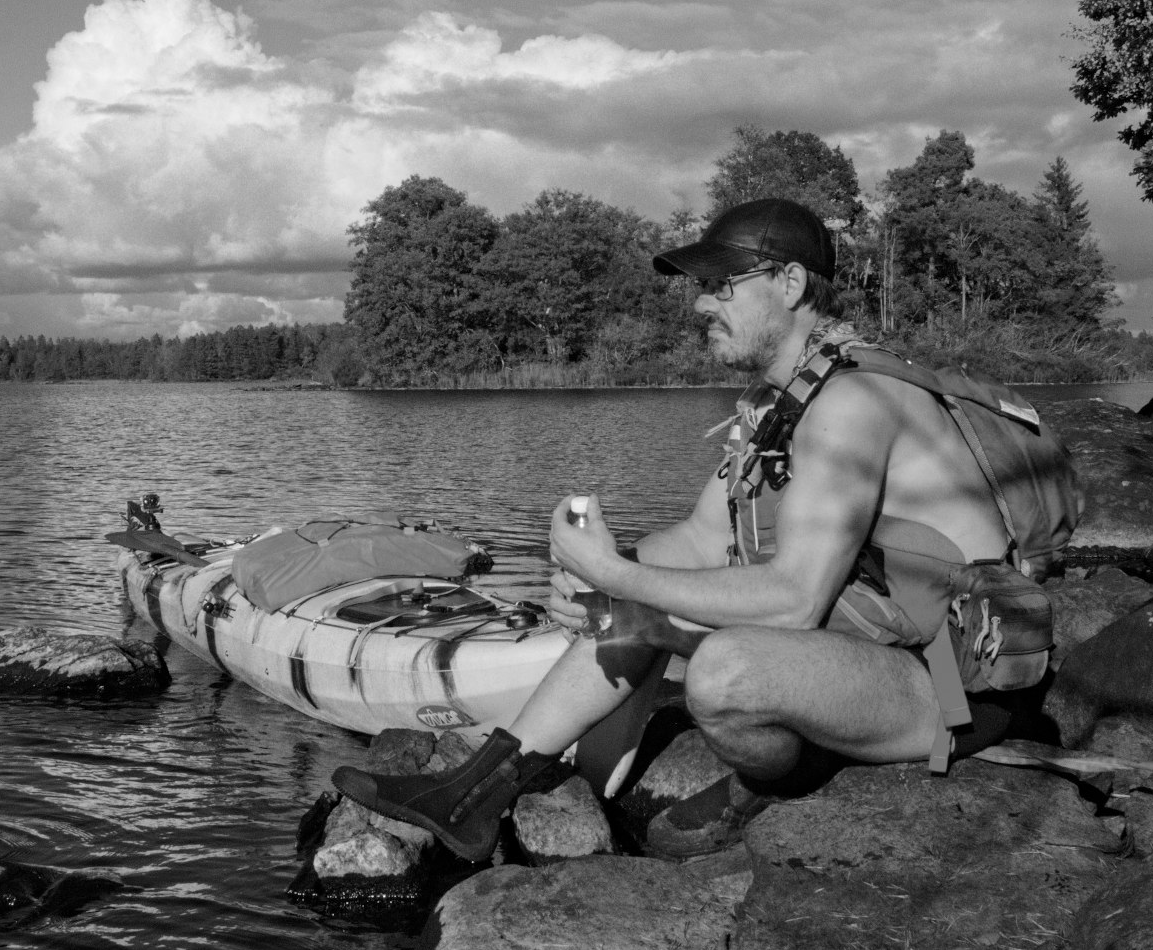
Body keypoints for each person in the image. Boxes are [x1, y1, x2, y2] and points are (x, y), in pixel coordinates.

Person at [331, 197, 1071, 860]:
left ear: (789, 285)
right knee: (638, 601)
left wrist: (621, 580)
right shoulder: (776, 403)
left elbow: (794, 601)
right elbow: (695, 537)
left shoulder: (854, 402)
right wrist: (602, 573)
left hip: (951, 680)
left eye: (722, 285)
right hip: (873, 647)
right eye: (700, 286)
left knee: (721, 671)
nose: (699, 304)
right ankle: (476, 793)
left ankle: (801, 775)